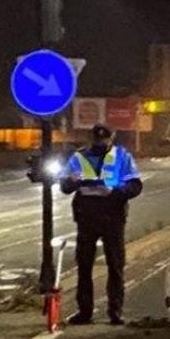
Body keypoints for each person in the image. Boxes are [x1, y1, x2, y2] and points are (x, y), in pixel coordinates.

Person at [59, 124, 143, 325]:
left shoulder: (122, 156)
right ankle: (84, 311)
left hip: (112, 215)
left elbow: (135, 186)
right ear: (92, 139)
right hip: (87, 216)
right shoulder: (78, 157)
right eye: (98, 141)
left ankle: (115, 311)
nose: (101, 143)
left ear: (111, 139)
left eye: (104, 140)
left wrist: (115, 192)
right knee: (84, 265)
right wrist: (73, 181)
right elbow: (64, 186)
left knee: (115, 265)